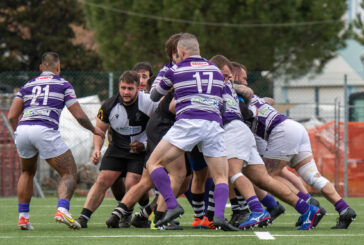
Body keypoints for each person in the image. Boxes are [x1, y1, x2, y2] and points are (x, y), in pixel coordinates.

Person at [147, 33, 237, 231]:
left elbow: (154, 96)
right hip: (213, 124)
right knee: (221, 176)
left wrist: (167, 80)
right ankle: (219, 217)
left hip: (188, 122)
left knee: (153, 163)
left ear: (180, 52)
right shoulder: (215, 70)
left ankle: (171, 205)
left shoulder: (176, 69)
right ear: (199, 50)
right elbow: (223, 104)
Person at [7, 51, 105, 230]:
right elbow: (79, 115)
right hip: (44, 130)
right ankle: (62, 209)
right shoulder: (63, 84)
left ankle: (23, 218)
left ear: (40, 68)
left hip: (23, 130)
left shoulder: (27, 85)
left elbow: (12, 115)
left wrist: (18, 134)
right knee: (69, 171)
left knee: (26, 172)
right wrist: (94, 129)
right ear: (58, 68)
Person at [248, 93, 357, 229]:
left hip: (281, 130)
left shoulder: (237, 95)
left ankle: (308, 207)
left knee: (266, 177)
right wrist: (259, 101)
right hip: (295, 127)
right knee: (312, 176)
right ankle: (344, 209)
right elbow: (268, 100)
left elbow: (246, 99)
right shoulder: (247, 96)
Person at [77, 71, 159, 228]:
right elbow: (99, 131)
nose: (126, 92)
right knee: (102, 179)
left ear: (138, 88)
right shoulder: (108, 105)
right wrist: (96, 149)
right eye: (123, 88)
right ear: (118, 87)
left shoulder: (149, 102)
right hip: (116, 148)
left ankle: (128, 215)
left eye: (130, 88)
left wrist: (146, 144)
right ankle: (83, 218)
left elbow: (161, 125)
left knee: (132, 182)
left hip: (139, 151)